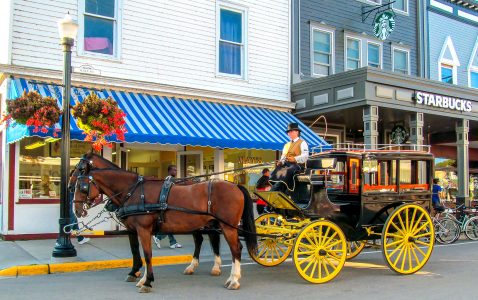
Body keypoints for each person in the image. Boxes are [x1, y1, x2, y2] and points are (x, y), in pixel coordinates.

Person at [269, 123, 309, 194]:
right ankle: (279, 189)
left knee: (286, 171)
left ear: (297, 132)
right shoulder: (286, 145)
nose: (289, 133)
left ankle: (277, 190)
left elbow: (305, 156)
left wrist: (295, 159)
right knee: (276, 171)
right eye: (288, 132)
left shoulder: (302, 143)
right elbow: (283, 157)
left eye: (291, 131)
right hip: (287, 165)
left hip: (298, 165)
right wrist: (281, 162)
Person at [153, 165, 182, 249]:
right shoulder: (169, 179)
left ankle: (173, 242)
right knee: (171, 225)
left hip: (168, 205)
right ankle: (158, 237)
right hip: (168, 206)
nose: (176, 172)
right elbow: (166, 193)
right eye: (174, 170)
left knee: (169, 225)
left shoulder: (169, 179)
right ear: (169, 171)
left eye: (176, 170)